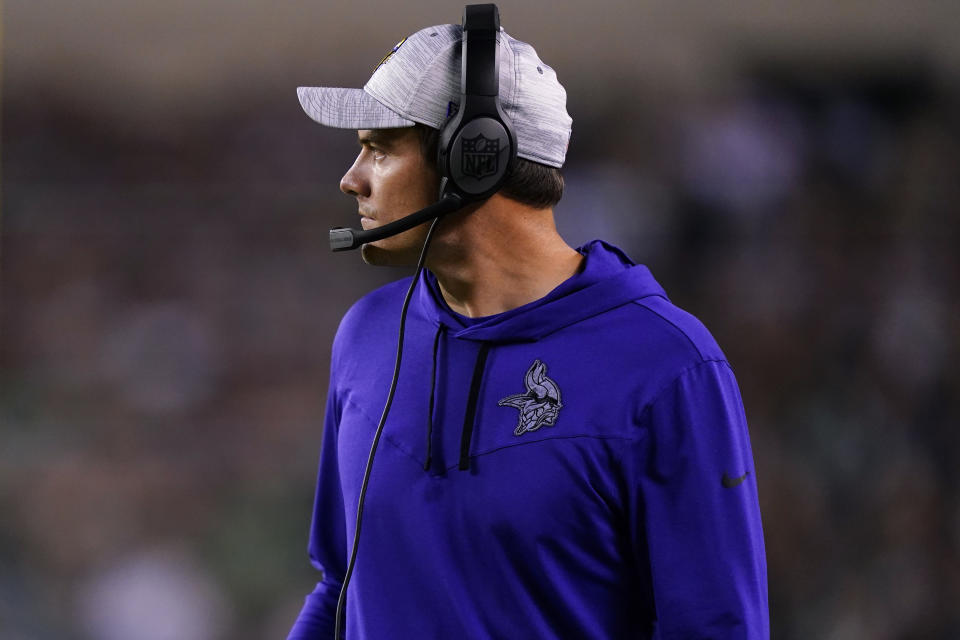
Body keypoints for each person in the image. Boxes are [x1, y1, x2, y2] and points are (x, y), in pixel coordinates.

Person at [288, 12, 769, 640]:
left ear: (473, 158)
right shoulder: (367, 334)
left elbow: (716, 628)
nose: (351, 179)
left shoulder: (668, 368)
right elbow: (339, 586)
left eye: (379, 148)